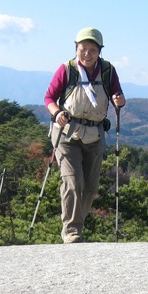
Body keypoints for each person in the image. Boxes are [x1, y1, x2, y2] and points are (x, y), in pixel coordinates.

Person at [44, 27, 125, 243]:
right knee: (73, 181)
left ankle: (76, 220)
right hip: (66, 133)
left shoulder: (107, 71)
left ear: (100, 51)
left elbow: (118, 94)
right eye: (83, 49)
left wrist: (120, 100)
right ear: (76, 48)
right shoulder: (67, 70)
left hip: (95, 134)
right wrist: (57, 112)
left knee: (90, 188)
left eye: (92, 50)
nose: (87, 54)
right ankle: (72, 231)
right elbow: (49, 98)